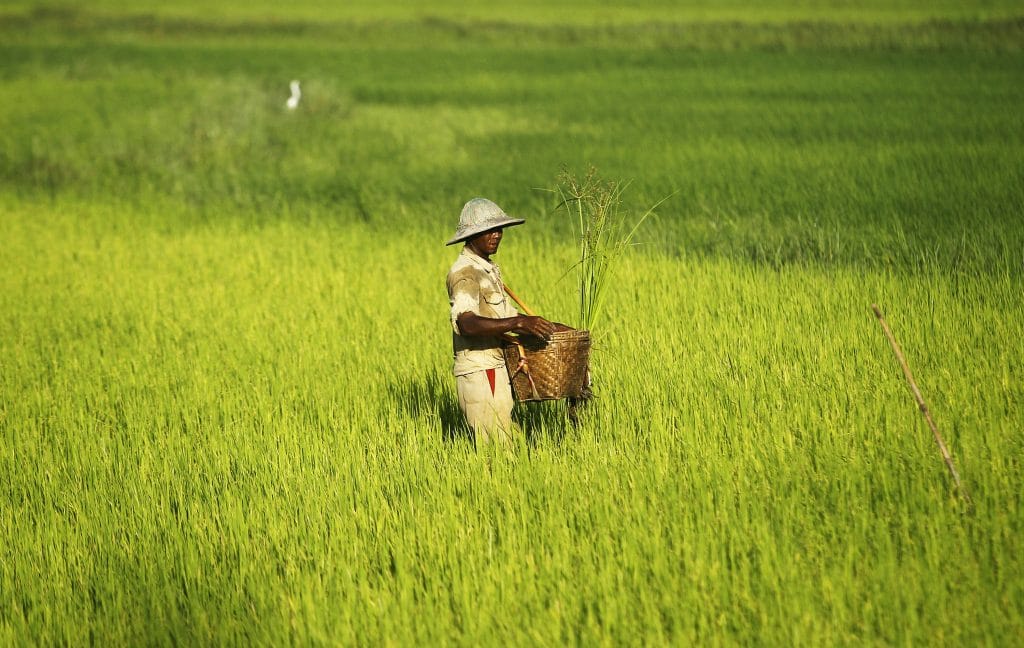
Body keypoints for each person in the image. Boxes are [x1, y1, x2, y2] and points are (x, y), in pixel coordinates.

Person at [445, 198, 561, 444]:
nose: (496, 235)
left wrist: (550, 327)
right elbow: (466, 323)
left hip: (497, 368)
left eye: (499, 229)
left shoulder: (486, 268)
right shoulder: (465, 273)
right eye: (488, 230)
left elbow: (508, 316)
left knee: (508, 442)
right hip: (480, 372)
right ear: (472, 235)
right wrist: (519, 325)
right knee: (496, 449)